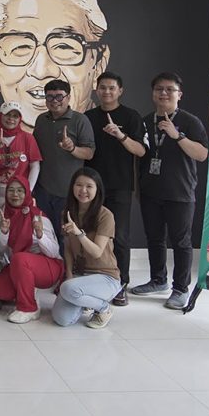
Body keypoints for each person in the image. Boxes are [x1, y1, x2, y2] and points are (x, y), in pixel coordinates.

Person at [0, 0, 111, 130]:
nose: (41, 71)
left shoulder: (108, 134)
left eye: (63, 46)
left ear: (98, 65)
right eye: (21, 47)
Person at [130, 72, 209, 310]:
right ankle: (158, 280)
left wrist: (177, 136)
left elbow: (202, 154)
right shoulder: (145, 121)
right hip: (150, 191)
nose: (163, 93)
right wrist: (138, 188)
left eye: (169, 89)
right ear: (153, 93)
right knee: (154, 238)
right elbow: (139, 157)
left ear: (179, 94)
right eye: (159, 89)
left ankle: (181, 288)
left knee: (181, 242)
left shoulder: (190, 121)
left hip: (180, 192)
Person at [84, 71, 147, 306]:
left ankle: (121, 283)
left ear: (120, 91)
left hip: (120, 186)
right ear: (96, 90)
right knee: (90, 234)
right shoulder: (88, 117)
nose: (107, 92)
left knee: (119, 236)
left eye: (112, 88)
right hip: (91, 188)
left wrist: (120, 135)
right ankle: (92, 280)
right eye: (103, 87)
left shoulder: (131, 116)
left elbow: (141, 150)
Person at [52, 168, 120, 329]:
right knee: (61, 319)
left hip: (106, 277)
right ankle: (86, 302)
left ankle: (103, 308)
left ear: (97, 190)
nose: (83, 190)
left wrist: (79, 233)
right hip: (80, 275)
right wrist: (69, 274)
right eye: (79, 185)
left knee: (68, 289)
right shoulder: (67, 214)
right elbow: (68, 247)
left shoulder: (105, 215)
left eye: (89, 186)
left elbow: (97, 252)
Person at [0, 176, 61, 323]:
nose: (15, 194)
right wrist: (4, 232)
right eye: (11, 190)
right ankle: (29, 292)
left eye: (20, 190)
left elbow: (54, 252)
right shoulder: (4, 216)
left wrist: (40, 235)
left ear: (27, 192)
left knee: (20, 258)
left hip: (48, 266)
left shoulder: (38, 216)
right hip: (20, 265)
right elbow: (1, 253)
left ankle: (28, 308)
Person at [32, 79, 95, 239]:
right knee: (44, 236)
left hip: (68, 192)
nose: (55, 101)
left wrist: (72, 148)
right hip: (42, 190)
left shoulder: (80, 120)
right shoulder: (41, 120)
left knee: (66, 237)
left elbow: (89, 153)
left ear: (68, 97)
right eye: (50, 97)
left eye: (59, 96)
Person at [0, 102, 41, 216]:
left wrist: (28, 190)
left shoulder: (27, 138)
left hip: (18, 190)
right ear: (1, 116)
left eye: (15, 116)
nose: (11, 119)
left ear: (20, 119)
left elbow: (35, 166)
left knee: (15, 221)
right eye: (8, 115)